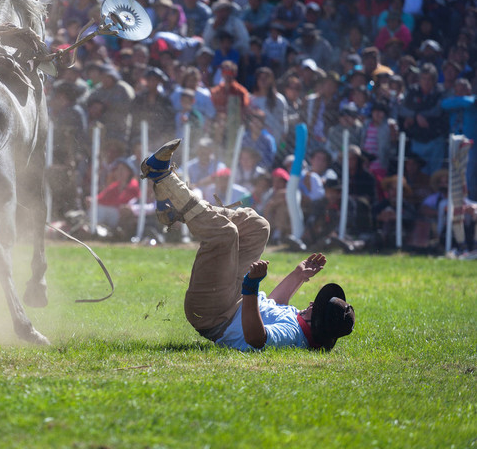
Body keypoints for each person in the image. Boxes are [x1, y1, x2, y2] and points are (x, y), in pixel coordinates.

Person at [140, 138, 355, 351]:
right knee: (259, 226)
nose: (311, 304)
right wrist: (298, 275)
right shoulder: (298, 323)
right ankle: (176, 208)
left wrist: (251, 286)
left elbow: (256, 338)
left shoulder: (293, 335)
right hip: (234, 297)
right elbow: (272, 305)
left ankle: (164, 178)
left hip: (216, 315)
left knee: (225, 235)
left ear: (317, 322)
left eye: (315, 307)